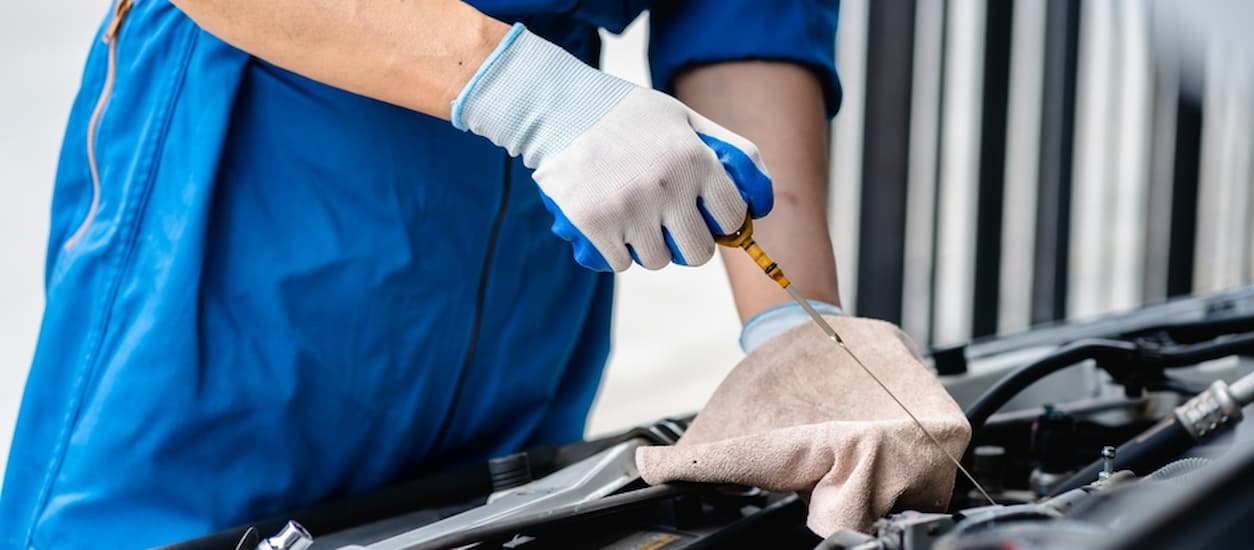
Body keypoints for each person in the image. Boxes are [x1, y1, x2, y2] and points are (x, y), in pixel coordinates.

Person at [1, 0, 968, 546]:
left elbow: (744, 17)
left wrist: (794, 326)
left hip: (540, 207)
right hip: (275, 147)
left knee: (485, 527)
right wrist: (524, 94)